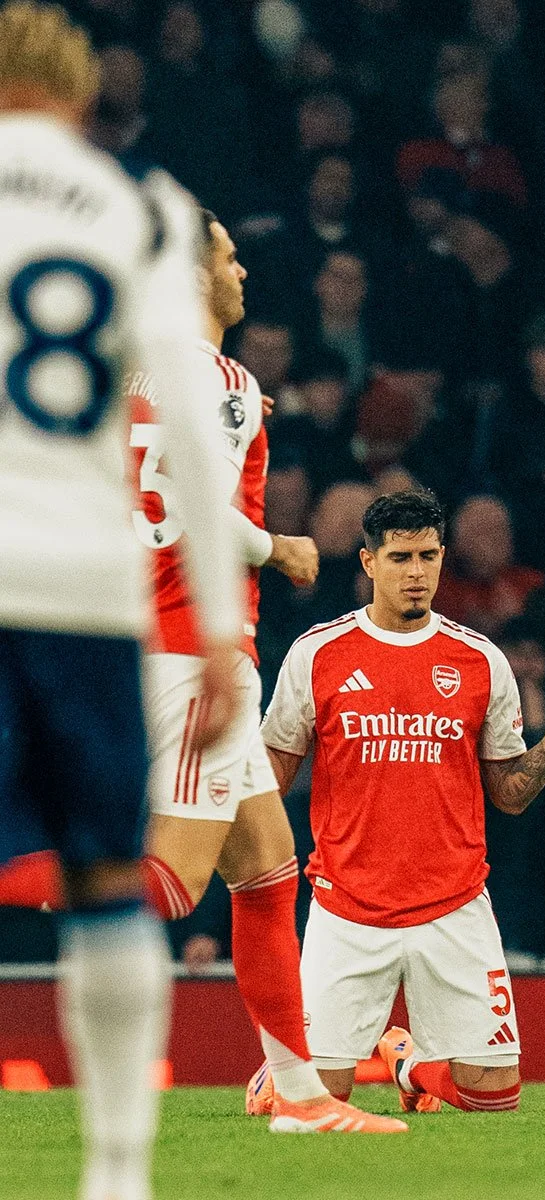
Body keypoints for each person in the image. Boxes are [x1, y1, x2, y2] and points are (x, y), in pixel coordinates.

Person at [0, 5, 243, 1199]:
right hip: (88, 591)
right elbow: (190, 410)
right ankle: (113, 1176)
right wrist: (219, 629)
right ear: (82, 93)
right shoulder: (137, 203)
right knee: (106, 880)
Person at [129, 209, 406, 1135]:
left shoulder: (121, 372)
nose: (242, 270)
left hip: (145, 638)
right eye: (228, 256)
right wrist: (281, 546)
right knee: (171, 883)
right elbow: (204, 511)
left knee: (266, 871)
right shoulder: (224, 381)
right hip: (196, 652)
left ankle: (299, 1093)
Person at [248, 490, 545, 1115]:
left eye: (428, 556)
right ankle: (283, 1077)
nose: (416, 573)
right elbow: (272, 775)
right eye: (400, 557)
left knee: (494, 1097)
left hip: (454, 905)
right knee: (317, 1102)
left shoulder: (480, 660)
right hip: (347, 908)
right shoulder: (318, 654)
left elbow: (510, 794)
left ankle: (408, 1065)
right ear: (369, 562)